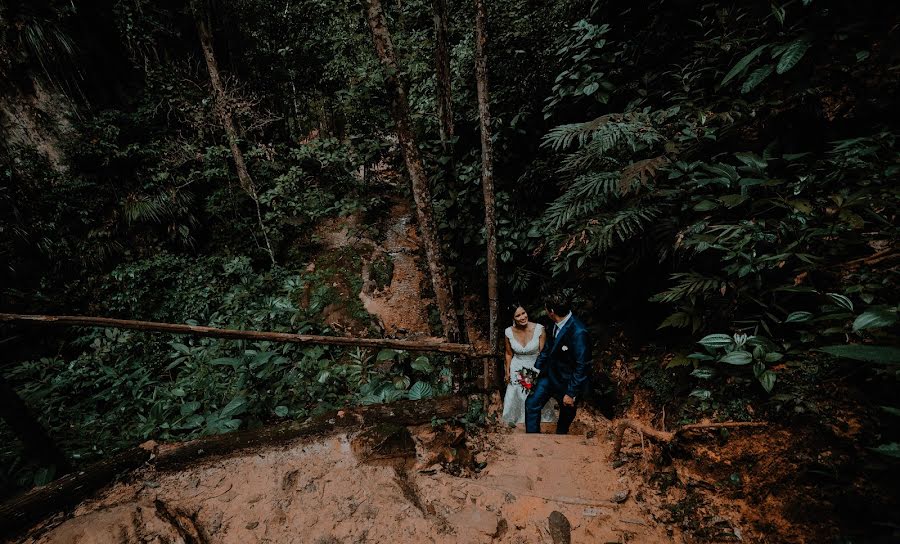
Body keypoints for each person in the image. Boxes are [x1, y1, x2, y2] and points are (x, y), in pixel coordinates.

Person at [525, 292, 591, 434]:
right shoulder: (554, 323)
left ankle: (561, 443)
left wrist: (571, 392)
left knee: (564, 420)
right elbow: (547, 349)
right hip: (549, 376)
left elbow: (582, 365)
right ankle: (532, 440)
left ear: (552, 312)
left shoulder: (579, 332)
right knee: (531, 404)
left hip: (568, 382)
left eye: (546, 309)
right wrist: (532, 374)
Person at [502, 304, 558, 425]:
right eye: (518, 315)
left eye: (523, 313)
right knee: (514, 396)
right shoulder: (508, 332)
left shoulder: (539, 329)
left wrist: (538, 372)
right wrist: (507, 371)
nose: (522, 317)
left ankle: (533, 425)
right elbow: (508, 353)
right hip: (516, 366)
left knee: (532, 395)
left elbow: (543, 354)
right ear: (513, 318)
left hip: (534, 366)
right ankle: (514, 426)